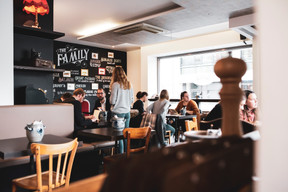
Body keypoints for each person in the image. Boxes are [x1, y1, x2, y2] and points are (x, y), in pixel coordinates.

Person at [110, 66, 134, 153]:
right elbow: (132, 100)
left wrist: (112, 102)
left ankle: (120, 157)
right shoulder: (129, 84)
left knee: (119, 136)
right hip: (127, 112)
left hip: (118, 113)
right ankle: (126, 155)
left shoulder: (115, 85)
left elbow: (112, 100)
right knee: (126, 135)